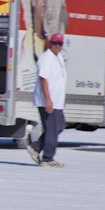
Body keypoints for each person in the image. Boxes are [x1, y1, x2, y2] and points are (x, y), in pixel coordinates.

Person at [27, 33, 67, 167]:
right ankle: (48, 158)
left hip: (57, 101)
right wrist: (48, 100)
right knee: (52, 128)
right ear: (50, 43)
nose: (57, 46)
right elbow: (43, 79)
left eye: (59, 44)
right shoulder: (46, 58)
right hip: (48, 101)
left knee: (59, 126)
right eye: (54, 43)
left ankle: (36, 147)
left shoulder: (59, 57)